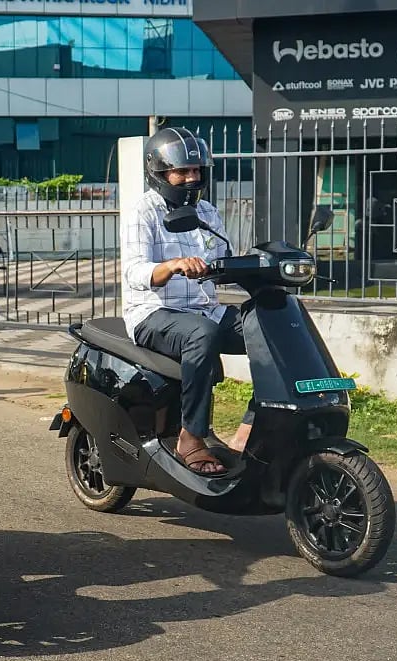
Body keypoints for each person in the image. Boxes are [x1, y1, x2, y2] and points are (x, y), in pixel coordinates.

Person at [120, 126, 251, 477]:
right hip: (154, 313)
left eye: (196, 171)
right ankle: (191, 437)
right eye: (182, 172)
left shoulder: (207, 212)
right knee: (202, 334)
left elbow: (223, 262)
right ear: (160, 174)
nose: (191, 178)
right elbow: (134, 271)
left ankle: (250, 432)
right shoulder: (143, 212)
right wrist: (172, 265)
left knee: (268, 327)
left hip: (207, 309)